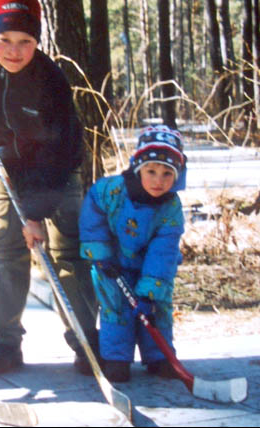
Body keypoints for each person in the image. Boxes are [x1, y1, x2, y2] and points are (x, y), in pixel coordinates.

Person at [0, 0, 99, 376]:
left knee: (67, 252)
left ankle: (85, 340)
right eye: (4, 40)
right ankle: (5, 343)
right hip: (5, 164)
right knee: (7, 246)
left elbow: (61, 151)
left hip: (58, 170)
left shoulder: (51, 81)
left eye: (25, 41)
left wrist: (35, 215)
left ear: (37, 41)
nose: (14, 50)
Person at [78, 125, 186, 382]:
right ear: (139, 169)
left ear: (177, 175)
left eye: (167, 173)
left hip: (150, 265)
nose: (158, 181)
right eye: (151, 171)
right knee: (116, 308)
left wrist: (149, 289)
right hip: (111, 262)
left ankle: (160, 358)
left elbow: (164, 250)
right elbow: (93, 213)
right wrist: (100, 253)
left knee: (156, 308)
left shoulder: (171, 207)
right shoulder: (112, 191)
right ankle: (116, 359)